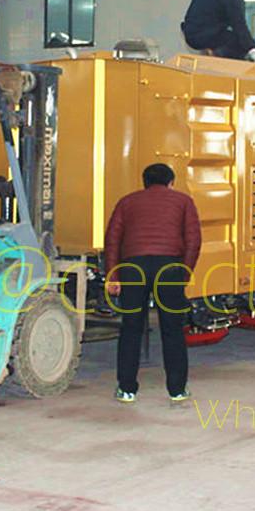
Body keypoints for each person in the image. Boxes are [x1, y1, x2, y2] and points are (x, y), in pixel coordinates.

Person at [104, 163, 202, 403]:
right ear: (171, 182)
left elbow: (112, 240)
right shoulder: (183, 201)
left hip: (133, 267)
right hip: (169, 267)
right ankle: (177, 389)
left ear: (144, 182)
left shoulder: (127, 202)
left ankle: (127, 389)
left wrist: (113, 276)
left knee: (131, 328)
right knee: (172, 329)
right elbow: (193, 240)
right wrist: (184, 272)